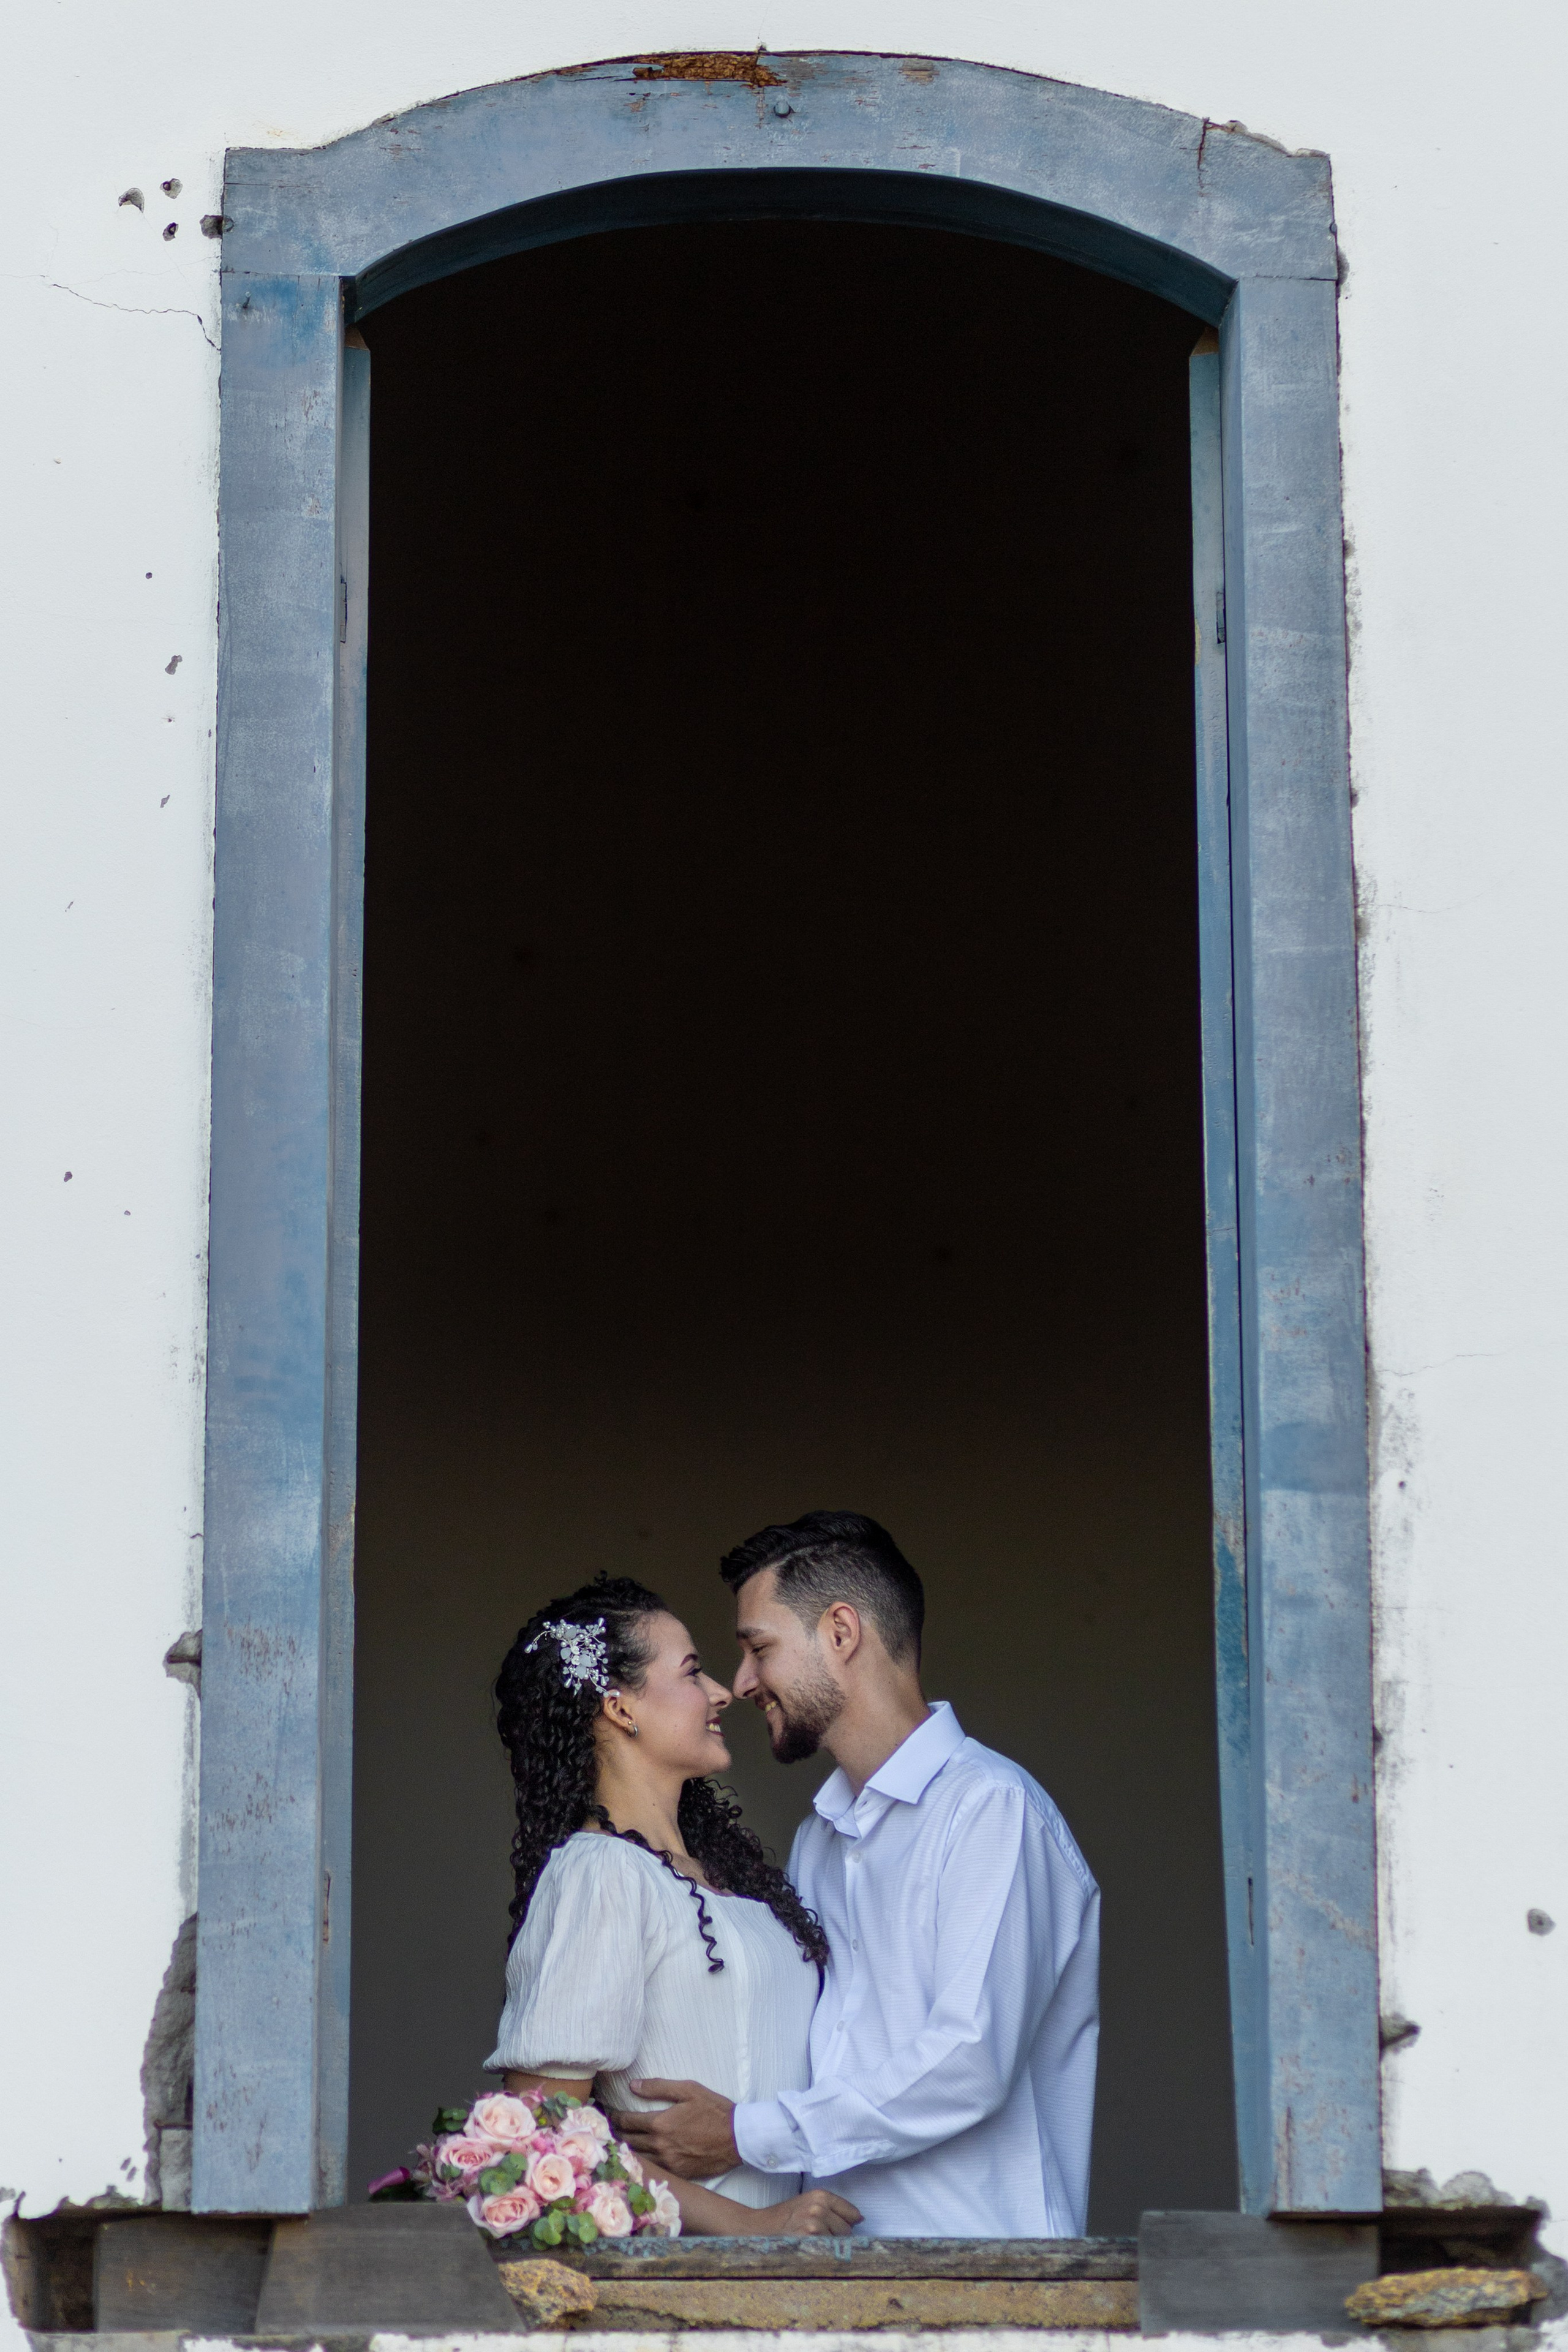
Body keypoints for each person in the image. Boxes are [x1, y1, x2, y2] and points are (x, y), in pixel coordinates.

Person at [611, 1513, 1101, 2238]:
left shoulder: (991, 1810)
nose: (742, 1682)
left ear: (840, 1634)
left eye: (758, 1648)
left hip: (982, 2272)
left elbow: (971, 2058)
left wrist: (747, 2133)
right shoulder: (819, 1840)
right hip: (830, 2274)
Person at [485, 1572, 861, 2236]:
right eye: (691, 1672)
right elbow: (542, 2132)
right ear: (620, 1707)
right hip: (689, 2267)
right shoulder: (601, 1874)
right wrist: (752, 2225)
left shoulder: (727, 1877)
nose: (722, 1692)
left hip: (788, 2263)